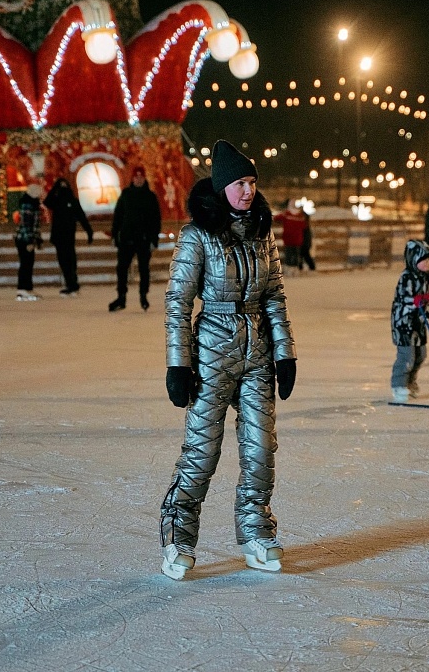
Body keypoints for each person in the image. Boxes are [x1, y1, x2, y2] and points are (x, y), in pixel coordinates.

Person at [159, 140, 297, 580]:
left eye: (252, 182)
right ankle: (178, 537)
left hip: (257, 352)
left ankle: (256, 533)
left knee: (260, 448)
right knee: (202, 451)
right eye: (240, 183)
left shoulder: (261, 232)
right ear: (222, 188)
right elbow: (179, 302)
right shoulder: (197, 235)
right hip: (211, 354)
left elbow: (274, 296)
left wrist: (285, 353)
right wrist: (178, 364)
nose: (248, 191)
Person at [390, 239, 429, 403]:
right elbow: (404, 297)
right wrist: (418, 299)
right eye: (424, 259)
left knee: (421, 355)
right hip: (403, 322)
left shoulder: (427, 277)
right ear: (413, 259)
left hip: (419, 321)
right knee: (407, 356)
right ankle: (399, 384)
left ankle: (410, 382)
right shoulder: (407, 277)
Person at [109, 167, 162, 312]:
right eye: (136, 177)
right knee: (122, 268)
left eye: (141, 177)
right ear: (133, 179)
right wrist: (115, 234)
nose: (138, 180)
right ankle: (121, 296)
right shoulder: (126, 194)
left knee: (144, 269)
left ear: (144, 179)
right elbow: (118, 215)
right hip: (127, 238)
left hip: (143, 239)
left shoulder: (150, 196)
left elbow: (155, 219)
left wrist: (154, 239)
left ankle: (143, 295)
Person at [44, 177, 93, 297]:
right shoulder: (56, 200)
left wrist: (89, 231)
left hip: (68, 236)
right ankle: (71, 284)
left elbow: (81, 216)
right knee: (65, 261)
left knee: (69, 260)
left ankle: (72, 284)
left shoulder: (73, 201)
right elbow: (47, 202)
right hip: (59, 236)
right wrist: (55, 187)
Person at [14, 182, 43, 301]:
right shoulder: (27, 204)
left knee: (29, 263)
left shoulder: (33, 204)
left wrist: (37, 239)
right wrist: (29, 241)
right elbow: (26, 224)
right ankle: (22, 288)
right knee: (25, 263)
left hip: (28, 238)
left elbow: (35, 225)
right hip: (24, 239)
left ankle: (28, 288)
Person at [273, 199, 306, 273]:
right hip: (289, 238)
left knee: (294, 254)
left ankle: (294, 269)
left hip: (296, 238)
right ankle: (290, 269)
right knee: (289, 254)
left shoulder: (298, 215)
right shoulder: (288, 214)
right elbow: (276, 218)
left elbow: (303, 226)